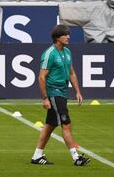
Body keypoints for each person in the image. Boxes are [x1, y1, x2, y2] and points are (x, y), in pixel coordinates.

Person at [30, 25, 90, 166]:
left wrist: (77, 91)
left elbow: (71, 73)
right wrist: (45, 98)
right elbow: (41, 77)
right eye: (65, 35)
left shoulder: (67, 52)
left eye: (68, 34)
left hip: (62, 93)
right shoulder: (49, 54)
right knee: (66, 124)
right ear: (58, 37)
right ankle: (76, 158)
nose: (68, 37)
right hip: (54, 93)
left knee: (50, 125)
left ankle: (37, 156)